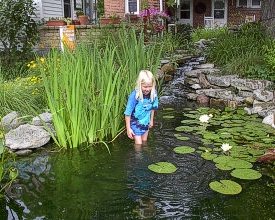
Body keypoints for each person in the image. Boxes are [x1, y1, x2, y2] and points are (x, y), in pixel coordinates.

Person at [124, 70, 158, 145]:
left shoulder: (154, 93)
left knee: (144, 141)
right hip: (135, 122)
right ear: (140, 84)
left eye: (150, 86)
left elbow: (153, 108)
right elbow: (127, 113)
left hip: (146, 121)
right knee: (139, 144)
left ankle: (144, 156)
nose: (148, 89)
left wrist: (151, 120)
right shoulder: (134, 96)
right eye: (145, 87)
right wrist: (128, 129)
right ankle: (137, 156)